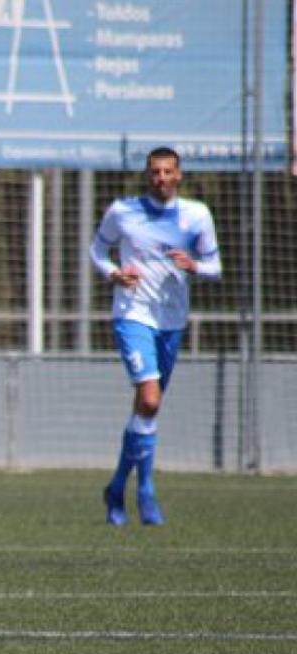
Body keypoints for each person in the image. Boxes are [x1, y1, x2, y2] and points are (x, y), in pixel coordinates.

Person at [92, 146, 221, 527]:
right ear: (147, 176)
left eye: (167, 172)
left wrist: (194, 265)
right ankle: (145, 491)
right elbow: (97, 250)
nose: (160, 178)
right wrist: (113, 273)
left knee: (148, 408)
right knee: (148, 399)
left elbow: (215, 267)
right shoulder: (123, 211)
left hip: (172, 320)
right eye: (154, 172)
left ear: (178, 175)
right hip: (133, 314)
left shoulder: (197, 215)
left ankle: (117, 488)